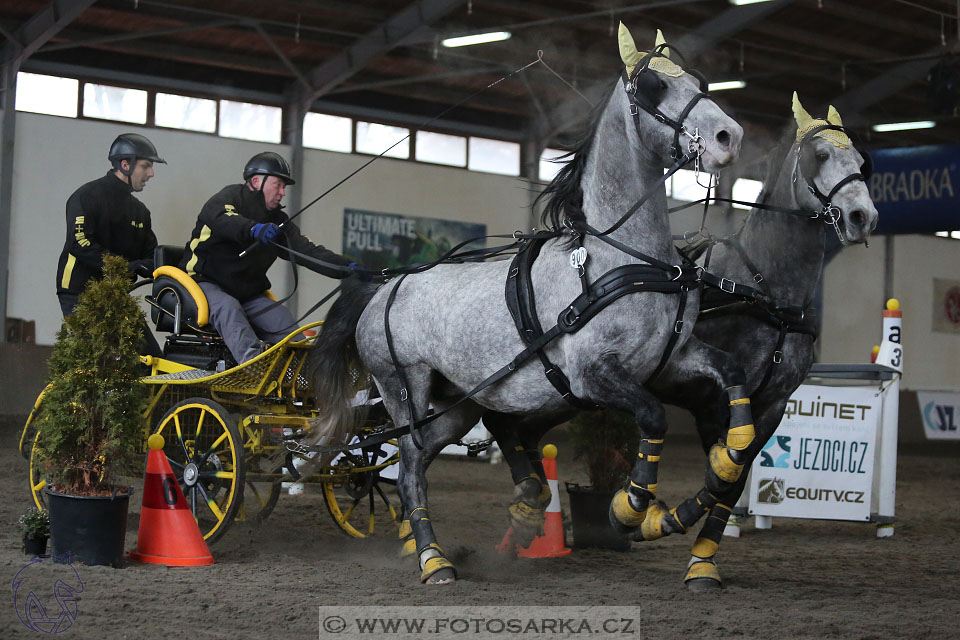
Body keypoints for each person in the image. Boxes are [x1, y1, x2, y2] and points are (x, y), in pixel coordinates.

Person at [179, 151, 362, 364]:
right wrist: (253, 228)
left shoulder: (278, 221)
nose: (282, 192)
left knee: (282, 319)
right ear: (256, 181)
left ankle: (301, 373)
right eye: (278, 184)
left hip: (247, 294)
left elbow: (309, 251)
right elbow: (221, 218)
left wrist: (348, 268)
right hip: (205, 283)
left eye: (284, 187)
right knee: (228, 308)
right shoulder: (229, 197)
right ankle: (253, 367)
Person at [55, 133, 165, 355]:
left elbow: (152, 255)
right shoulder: (87, 196)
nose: (151, 174)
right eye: (146, 166)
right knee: (96, 357)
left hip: (116, 294)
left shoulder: (140, 211)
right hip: (79, 292)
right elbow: (81, 243)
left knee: (151, 358)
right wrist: (129, 266)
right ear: (125, 165)